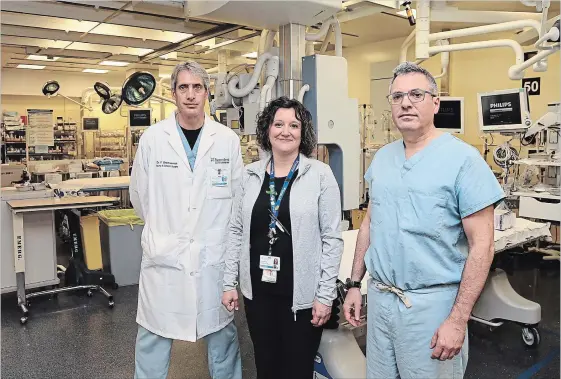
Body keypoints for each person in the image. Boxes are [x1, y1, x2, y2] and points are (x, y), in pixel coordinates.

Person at [343, 62, 504, 378]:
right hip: (381, 298)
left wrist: (457, 320)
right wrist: (353, 284)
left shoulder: (463, 160)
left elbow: (482, 247)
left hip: (431, 305)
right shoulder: (383, 159)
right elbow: (369, 226)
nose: (406, 102)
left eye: (416, 94)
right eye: (397, 96)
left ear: (435, 102)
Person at [129, 61, 243, 379]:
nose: (190, 95)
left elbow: (236, 199)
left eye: (197, 87)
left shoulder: (226, 140)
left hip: (213, 258)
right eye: (183, 87)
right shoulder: (153, 139)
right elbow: (139, 197)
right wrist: (166, 231)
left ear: (207, 92)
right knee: (153, 337)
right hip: (166, 256)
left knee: (222, 336)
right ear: (173, 93)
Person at [221, 97, 344, 379]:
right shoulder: (249, 175)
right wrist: (230, 282)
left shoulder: (320, 176)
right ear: (267, 130)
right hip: (258, 294)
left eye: (294, 125)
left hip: (302, 298)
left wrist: (324, 296)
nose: (285, 131)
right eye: (278, 124)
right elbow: (236, 230)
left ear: (303, 132)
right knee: (266, 367)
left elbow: (332, 239)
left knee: (297, 370)